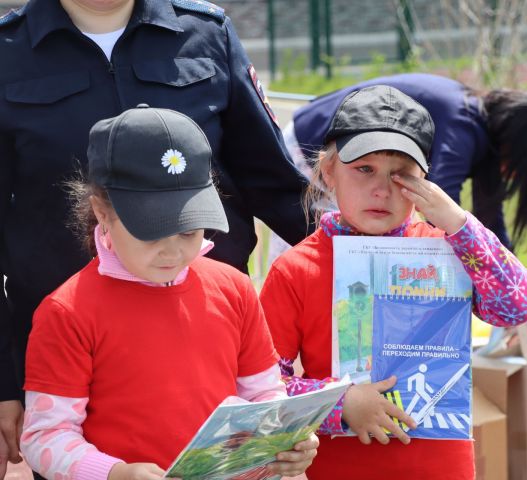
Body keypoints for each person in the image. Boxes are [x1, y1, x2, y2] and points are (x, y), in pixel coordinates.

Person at [0, 0, 310, 472]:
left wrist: (366, 274)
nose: (169, 242)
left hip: (208, 334)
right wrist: (3, 381)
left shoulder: (206, 32)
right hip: (62, 360)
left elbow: (276, 186)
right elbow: (54, 438)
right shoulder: (7, 50)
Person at [259, 85, 527, 479]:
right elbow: (266, 389)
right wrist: (341, 403)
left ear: (424, 180)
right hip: (342, 468)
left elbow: (517, 306)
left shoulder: (448, 249)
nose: (381, 189)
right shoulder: (296, 269)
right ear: (327, 172)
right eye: (364, 169)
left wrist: (458, 222)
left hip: (443, 469)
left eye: (401, 174)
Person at [283, 73, 527, 259]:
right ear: (525, 139)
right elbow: (438, 205)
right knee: (318, 262)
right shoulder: (463, 124)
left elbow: (489, 220)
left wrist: (507, 267)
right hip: (311, 148)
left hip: (361, 167)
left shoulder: (485, 135)